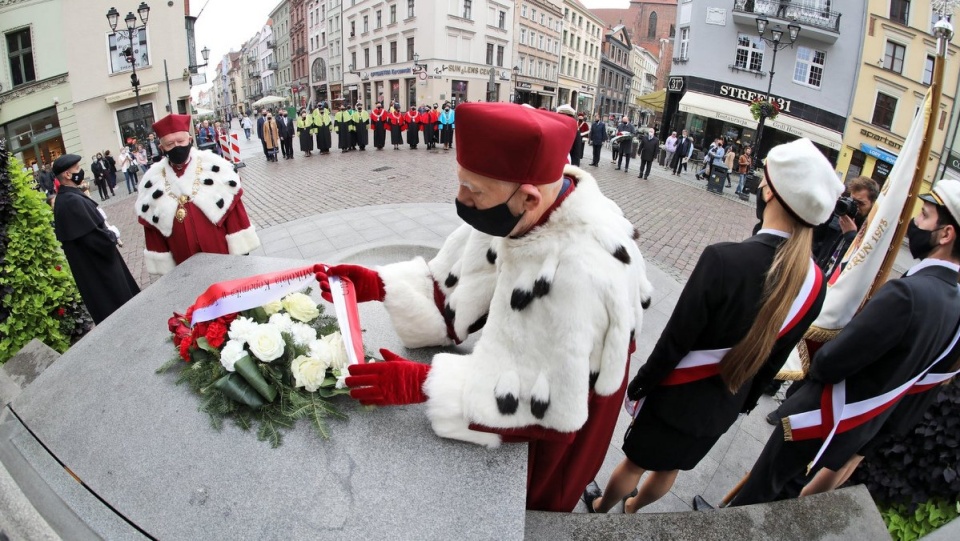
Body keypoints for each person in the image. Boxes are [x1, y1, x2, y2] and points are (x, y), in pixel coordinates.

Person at [323, 102, 653, 512]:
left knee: (530, 510)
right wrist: (382, 285)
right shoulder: (516, 207)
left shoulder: (579, 273)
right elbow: (456, 289)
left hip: (560, 430)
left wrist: (422, 382)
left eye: (473, 191)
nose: (460, 198)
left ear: (530, 199)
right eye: (462, 182)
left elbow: (538, 404)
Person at [584, 138, 841, 514]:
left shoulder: (724, 259)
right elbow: (774, 361)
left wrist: (643, 383)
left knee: (635, 464)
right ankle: (632, 511)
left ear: (768, 192)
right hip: (725, 402)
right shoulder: (816, 286)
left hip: (677, 395)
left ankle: (603, 507)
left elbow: (676, 340)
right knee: (669, 467)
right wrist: (744, 405)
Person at [730, 178, 960, 507]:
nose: (915, 224)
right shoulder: (954, 302)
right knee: (783, 494)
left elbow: (831, 361)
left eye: (924, 215)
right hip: (855, 426)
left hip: (823, 413)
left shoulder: (907, 292)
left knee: (762, 489)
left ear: (946, 234)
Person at [135, 113, 261, 275]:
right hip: (183, 265)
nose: (177, 147)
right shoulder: (152, 182)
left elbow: (234, 211)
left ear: (190, 140)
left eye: (180, 141)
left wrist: (242, 250)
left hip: (222, 256)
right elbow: (152, 230)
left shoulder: (215, 167)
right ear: (162, 148)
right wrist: (164, 267)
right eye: (170, 144)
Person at [51, 154, 139, 324]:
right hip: (101, 270)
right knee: (120, 310)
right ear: (67, 175)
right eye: (77, 168)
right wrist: (112, 235)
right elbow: (96, 240)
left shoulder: (69, 197)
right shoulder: (71, 201)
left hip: (95, 269)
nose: (80, 171)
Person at [811, 176, 880, 276]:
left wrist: (851, 235)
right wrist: (827, 214)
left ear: (873, 204)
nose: (855, 206)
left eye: (861, 203)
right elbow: (815, 239)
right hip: (819, 272)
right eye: (852, 201)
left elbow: (861, 262)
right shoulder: (841, 214)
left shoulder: (872, 229)